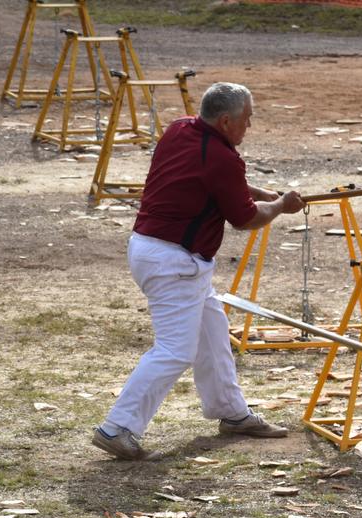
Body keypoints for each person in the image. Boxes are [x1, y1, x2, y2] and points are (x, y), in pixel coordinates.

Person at [92, 82, 306, 461]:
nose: (249, 126)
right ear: (225, 121)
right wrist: (279, 207)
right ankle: (118, 427)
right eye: (246, 119)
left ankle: (231, 411)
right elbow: (246, 218)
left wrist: (263, 193)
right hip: (174, 261)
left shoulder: (181, 129)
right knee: (176, 350)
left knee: (212, 331)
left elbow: (222, 182)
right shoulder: (223, 159)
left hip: (156, 250)